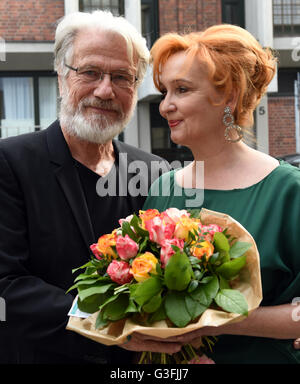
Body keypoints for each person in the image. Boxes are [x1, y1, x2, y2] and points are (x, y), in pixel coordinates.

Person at [121, 25, 300, 364]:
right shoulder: (164, 188)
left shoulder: (288, 191)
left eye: (182, 90)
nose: (165, 107)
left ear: (229, 97)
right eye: (165, 92)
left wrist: (208, 321)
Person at [0, 10, 170, 364]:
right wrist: (109, 324)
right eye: (90, 72)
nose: (105, 90)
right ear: (61, 76)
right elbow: (7, 285)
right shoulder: (11, 164)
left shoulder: (153, 171)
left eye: (122, 77)